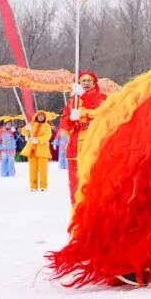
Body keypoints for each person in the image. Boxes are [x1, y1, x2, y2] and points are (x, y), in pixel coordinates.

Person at [60, 72, 108, 203]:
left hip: (94, 142)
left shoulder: (101, 97)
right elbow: (64, 125)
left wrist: (83, 95)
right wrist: (71, 119)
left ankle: (93, 206)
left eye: (89, 81)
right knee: (75, 180)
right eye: (83, 81)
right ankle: (76, 206)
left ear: (94, 83)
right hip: (75, 144)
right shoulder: (72, 102)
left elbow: (102, 110)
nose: (86, 83)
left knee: (93, 177)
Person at [23, 112, 53, 192]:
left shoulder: (47, 126)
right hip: (32, 150)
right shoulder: (32, 125)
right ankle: (33, 186)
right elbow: (24, 133)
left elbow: (47, 136)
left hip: (42, 151)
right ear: (36, 116)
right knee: (32, 170)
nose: (40, 117)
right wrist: (26, 128)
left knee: (43, 170)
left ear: (44, 117)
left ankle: (43, 186)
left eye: (42, 116)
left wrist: (38, 140)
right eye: (39, 116)